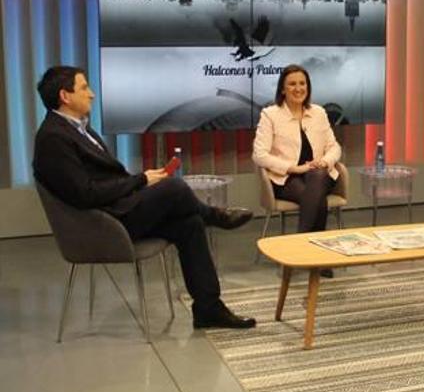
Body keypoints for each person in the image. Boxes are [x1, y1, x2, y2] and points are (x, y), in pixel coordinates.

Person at [32, 66, 256, 329]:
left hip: (119, 209)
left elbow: (103, 180)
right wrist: (140, 181)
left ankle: (208, 308)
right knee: (175, 188)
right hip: (106, 223)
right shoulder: (53, 138)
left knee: (190, 224)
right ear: (65, 96)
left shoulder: (78, 129)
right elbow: (85, 193)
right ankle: (217, 216)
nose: (91, 94)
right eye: (84, 88)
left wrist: (141, 182)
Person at [252, 64, 341, 277]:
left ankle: (294, 250)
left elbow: (334, 146)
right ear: (283, 89)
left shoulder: (318, 113)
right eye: (292, 84)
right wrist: (293, 167)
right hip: (287, 179)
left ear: (307, 88)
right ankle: (318, 258)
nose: (298, 88)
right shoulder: (270, 115)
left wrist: (326, 162)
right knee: (316, 199)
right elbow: (259, 154)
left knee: (317, 177)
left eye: (302, 83)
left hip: (319, 175)